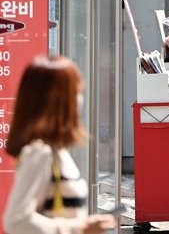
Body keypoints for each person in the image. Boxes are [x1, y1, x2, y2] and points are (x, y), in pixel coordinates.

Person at [4, 57, 116, 234]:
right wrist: (78, 228)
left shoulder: (54, 151)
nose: (79, 99)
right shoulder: (40, 153)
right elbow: (16, 221)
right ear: (56, 99)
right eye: (75, 92)